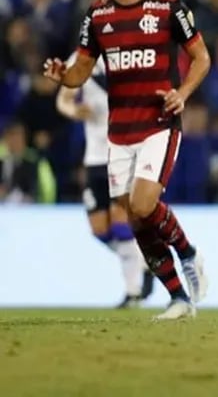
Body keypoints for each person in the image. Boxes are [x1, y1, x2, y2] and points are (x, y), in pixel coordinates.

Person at [43, 0, 210, 321]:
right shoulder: (98, 16)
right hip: (118, 134)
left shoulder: (169, 8)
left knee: (142, 204)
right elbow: (80, 72)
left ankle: (187, 253)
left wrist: (183, 93)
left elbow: (201, 58)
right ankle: (178, 299)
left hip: (159, 124)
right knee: (136, 220)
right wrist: (61, 76)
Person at [55, 51, 154, 307]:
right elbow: (63, 100)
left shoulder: (128, 54)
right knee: (100, 230)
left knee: (121, 225)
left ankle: (133, 292)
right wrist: (74, 110)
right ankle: (143, 261)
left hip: (121, 150)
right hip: (93, 157)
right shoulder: (79, 59)